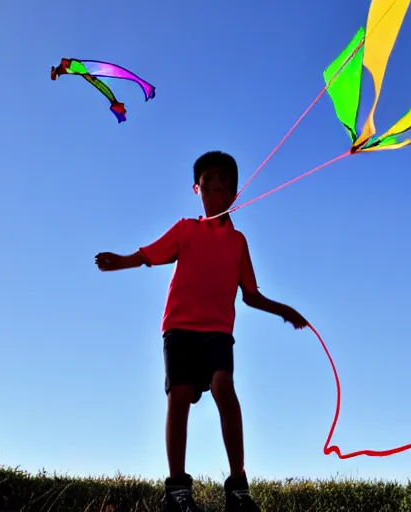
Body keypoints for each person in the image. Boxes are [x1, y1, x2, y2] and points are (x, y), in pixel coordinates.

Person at [95, 151, 308, 512]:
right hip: (179, 329)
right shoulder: (185, 229)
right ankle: (177, 491)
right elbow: (150, 254)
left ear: (233, 194)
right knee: (179, 397)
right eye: (207, 184)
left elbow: (251, 294)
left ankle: (238, 488)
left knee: (224, 387)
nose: (213, 188)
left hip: (217, 332)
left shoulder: (238, 242)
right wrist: (121, 261)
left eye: (221, 184)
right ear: (197, 190)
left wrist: (283, 310)